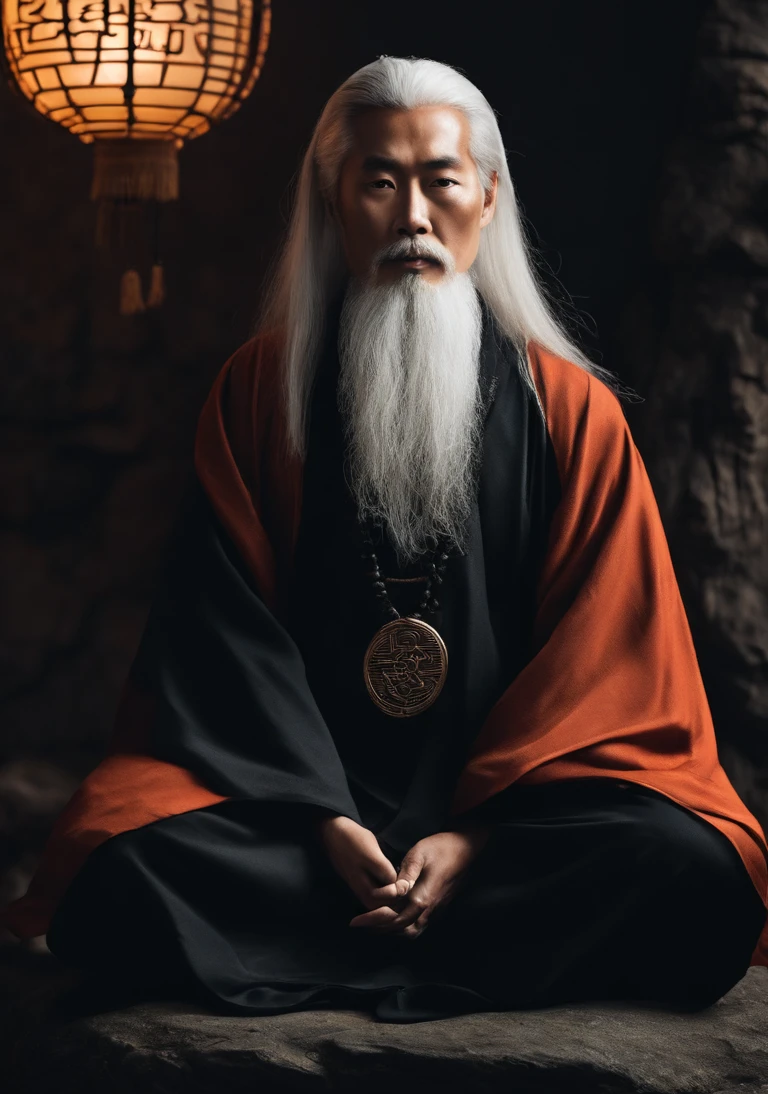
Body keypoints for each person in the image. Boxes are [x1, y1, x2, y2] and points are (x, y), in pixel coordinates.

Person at [4, 56, 768, 1023]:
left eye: (441, 181)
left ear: (487, 201)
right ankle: (425, 924)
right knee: (113, 867)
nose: (412, 216)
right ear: (333, 205)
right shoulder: (258, 393)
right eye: (378, 181)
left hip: (514, 829)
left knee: (702, 874)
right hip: (296, 820)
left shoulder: (573, 413)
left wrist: (476, 838)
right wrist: (324, 819)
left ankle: (386, 921)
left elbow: (610, 663)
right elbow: (215, 638)